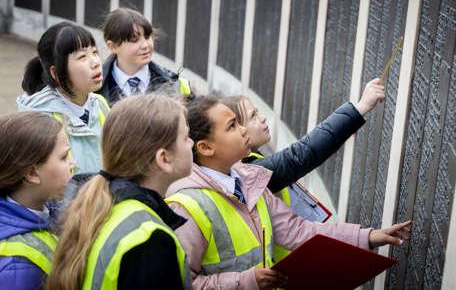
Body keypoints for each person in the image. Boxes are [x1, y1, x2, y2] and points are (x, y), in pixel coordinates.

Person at [166, 95, 411, 290]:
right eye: (232, 126)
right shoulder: (186, 206)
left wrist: (368, 236)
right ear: (206, 147)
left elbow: (300, 231)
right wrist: (248, 281)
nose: (243, 130)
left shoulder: (249, 182)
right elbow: (182, 283)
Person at [222, 78, 385, 260]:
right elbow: (301, 155)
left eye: (257, 112)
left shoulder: (247, 165)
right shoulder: (250, 173)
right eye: (252, 116)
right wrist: (360, 108)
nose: (262, 117)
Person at [46, 94, 193, 290]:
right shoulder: (149, 241)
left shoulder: (100, 206)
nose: (191, 143)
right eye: (185, 138)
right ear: (163, 159)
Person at [17, 22, 110, 174]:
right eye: (82, 57)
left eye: (94, 52)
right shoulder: (37, 118)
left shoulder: (100, 104)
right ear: (56, 72)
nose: (96, 62)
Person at [0, 112, 75, 290]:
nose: (73, 163)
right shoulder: (17, 267)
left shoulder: (47, 206)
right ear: (32, 173)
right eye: (64, 157)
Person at [97, 7, 192, 106]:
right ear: (113, 46)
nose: (145, 45)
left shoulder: (176, 84)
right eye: (134, 40)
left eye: (147, 37)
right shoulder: (93, 90)